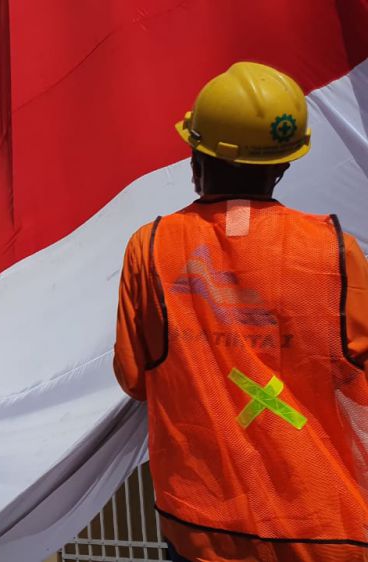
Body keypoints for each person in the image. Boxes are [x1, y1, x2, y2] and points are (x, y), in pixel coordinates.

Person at [114, 61, 368, 562]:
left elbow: (133, 377)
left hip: (203, 528)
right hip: (327, 529)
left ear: (196, 158)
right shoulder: (338, 252)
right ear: (283, 165)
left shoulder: (152, 248)